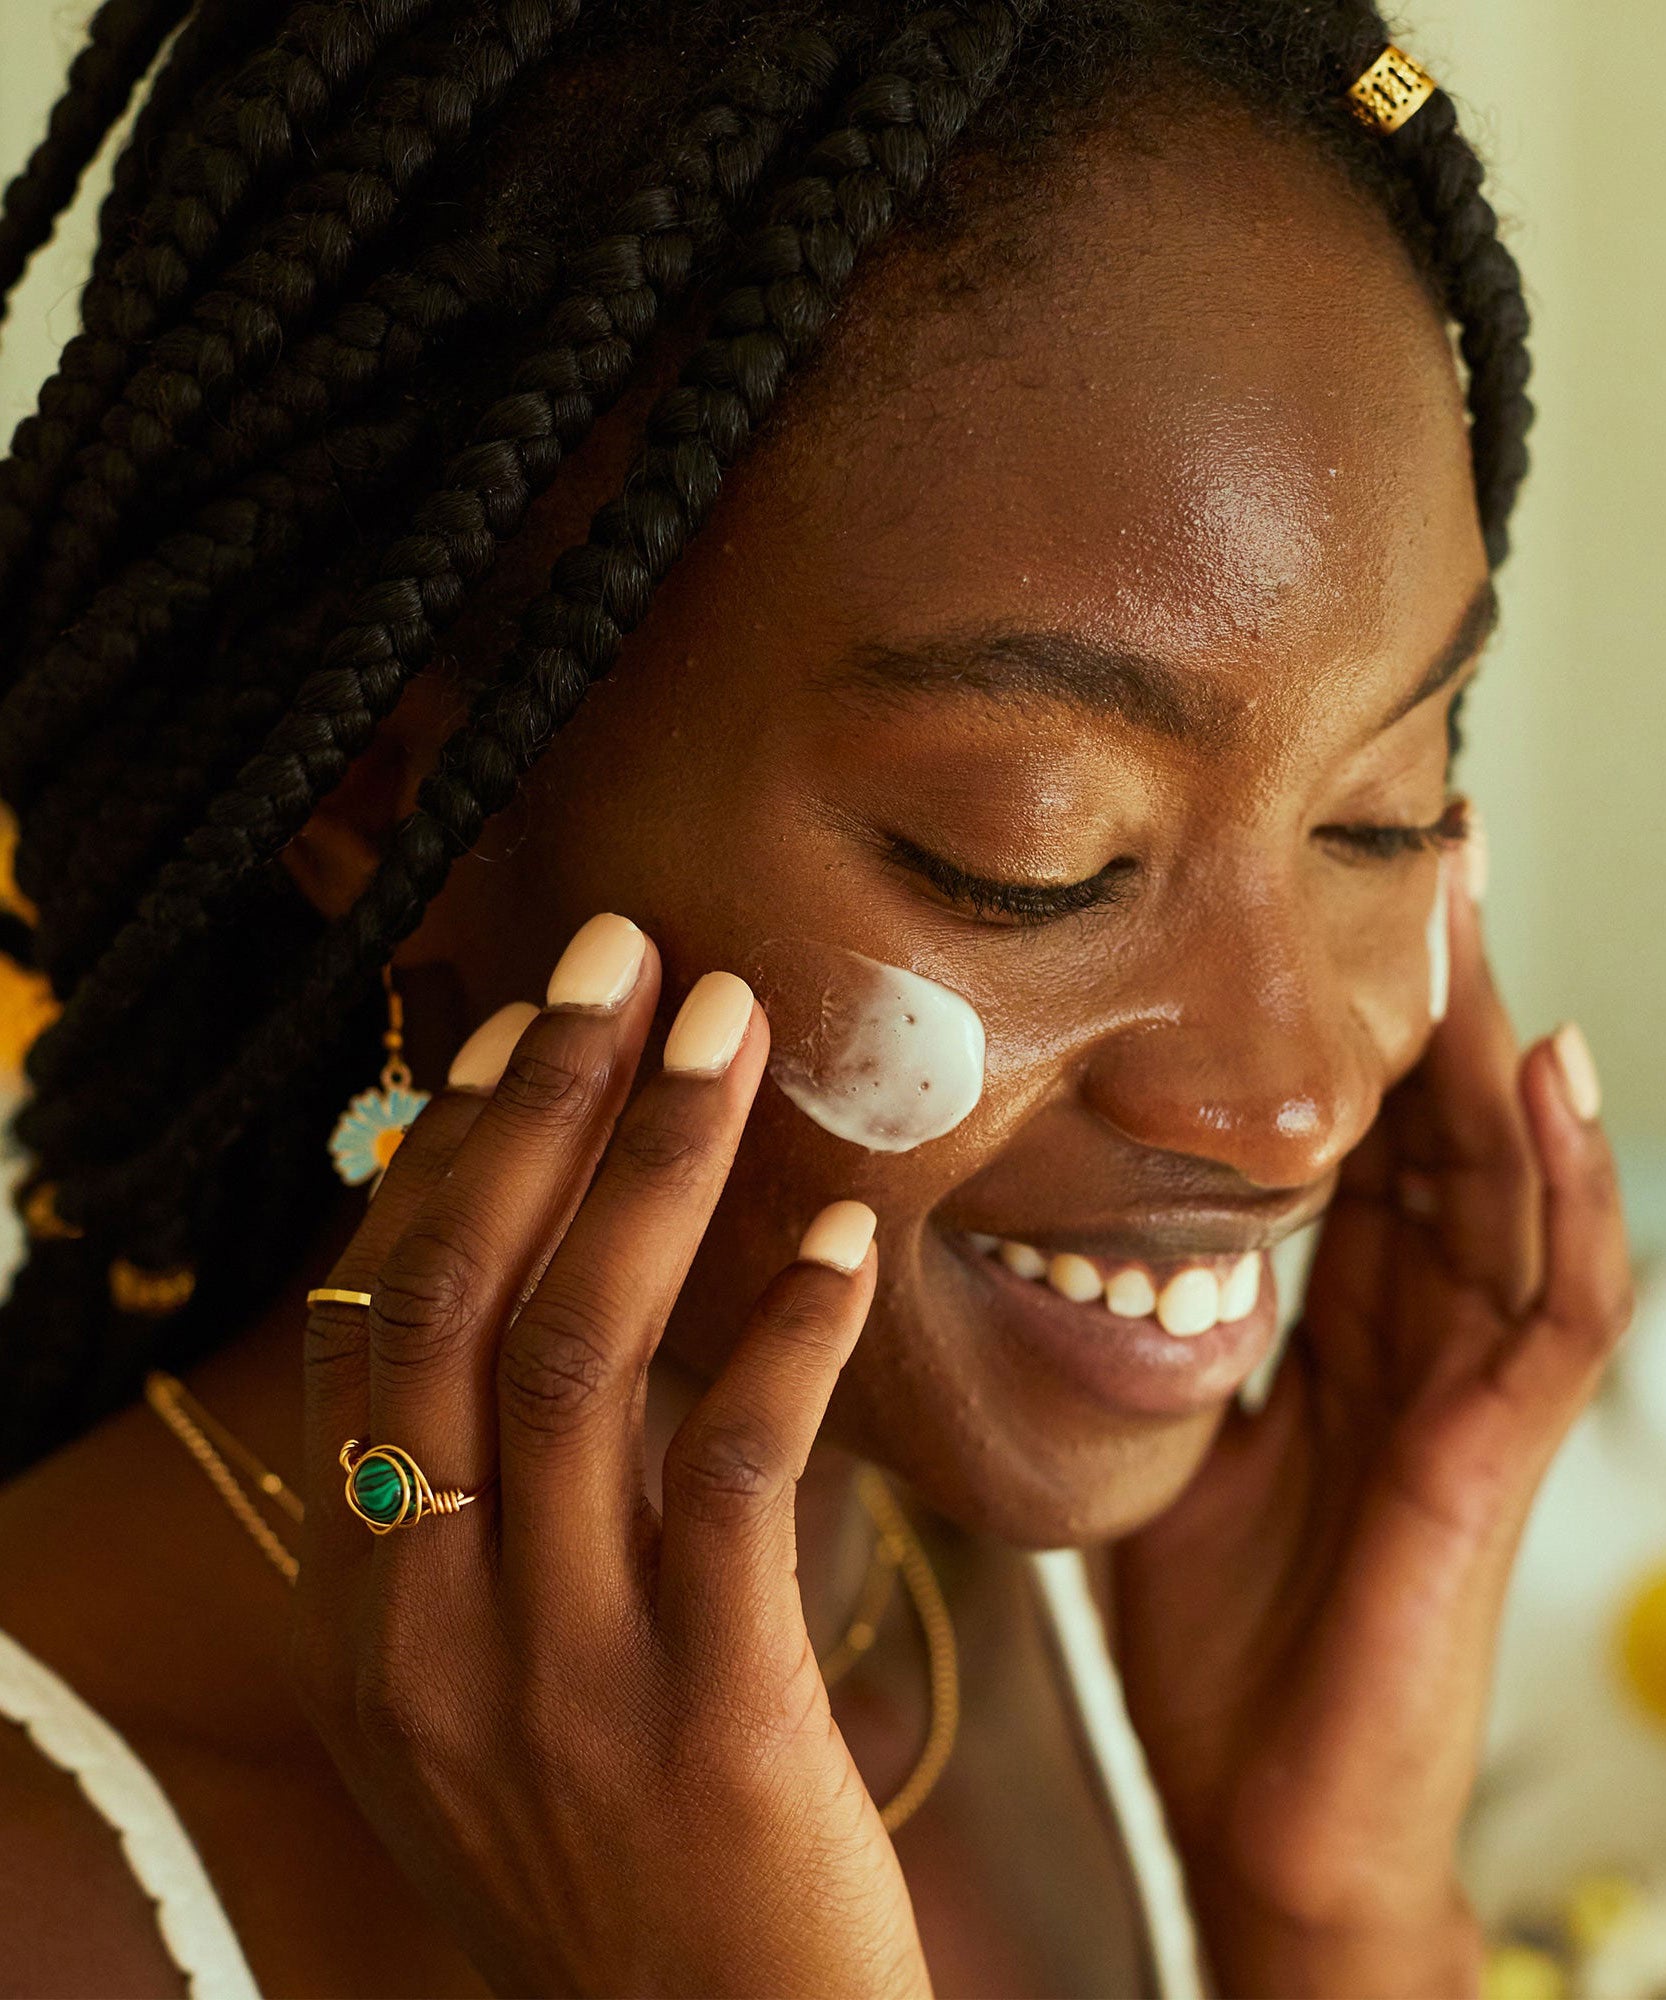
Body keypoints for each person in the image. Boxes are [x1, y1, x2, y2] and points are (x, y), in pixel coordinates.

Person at [0, 2, 1635, 1993]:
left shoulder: (1153, 1625)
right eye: (1029, 858)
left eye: (1381, 812)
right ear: (387, 796)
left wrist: (1330, 1907)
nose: (1290, 1099)